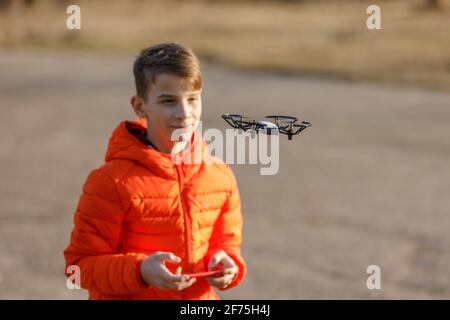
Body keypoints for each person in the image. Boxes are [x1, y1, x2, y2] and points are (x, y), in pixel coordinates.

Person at [63, 43, 246, 300]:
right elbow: (78, 267)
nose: (185, 114)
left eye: (193, 99)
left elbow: (227, 244)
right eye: (168, 101)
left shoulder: (220, 176)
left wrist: (228, 264)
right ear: (140, 106)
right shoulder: (111, 181)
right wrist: (140, 271)